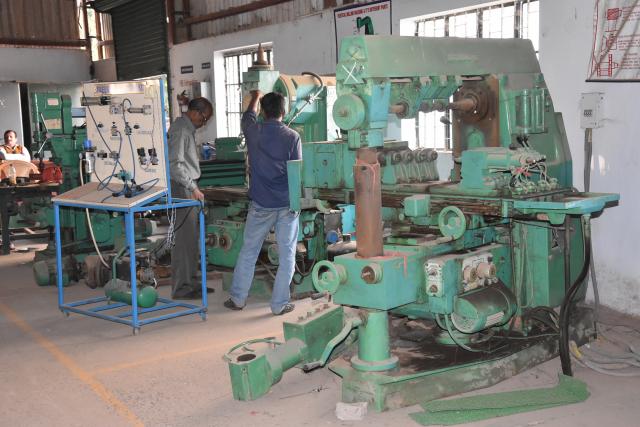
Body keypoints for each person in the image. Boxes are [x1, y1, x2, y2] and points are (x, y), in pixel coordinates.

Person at [224, 91, 301, 315]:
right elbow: (296, 171)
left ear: (263, 112)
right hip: (286, 204)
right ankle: (279, 305)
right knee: (287, 255)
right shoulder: (292, 137)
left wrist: (255, 97)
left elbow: (247, 116)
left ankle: (238, 299)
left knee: (249, 251)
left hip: (261, 204)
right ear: (284, 111)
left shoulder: (253, 131)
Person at [168, 97, 214, 299]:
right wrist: (192, 187)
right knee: (184, 240)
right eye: (204, 118)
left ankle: (191, 282)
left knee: (192, 238)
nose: (204, 123)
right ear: (195, 112)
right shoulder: (181, 130)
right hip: (182, 188)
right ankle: (181, 288)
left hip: (187, 186)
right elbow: (175, 165)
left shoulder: (187, 129)